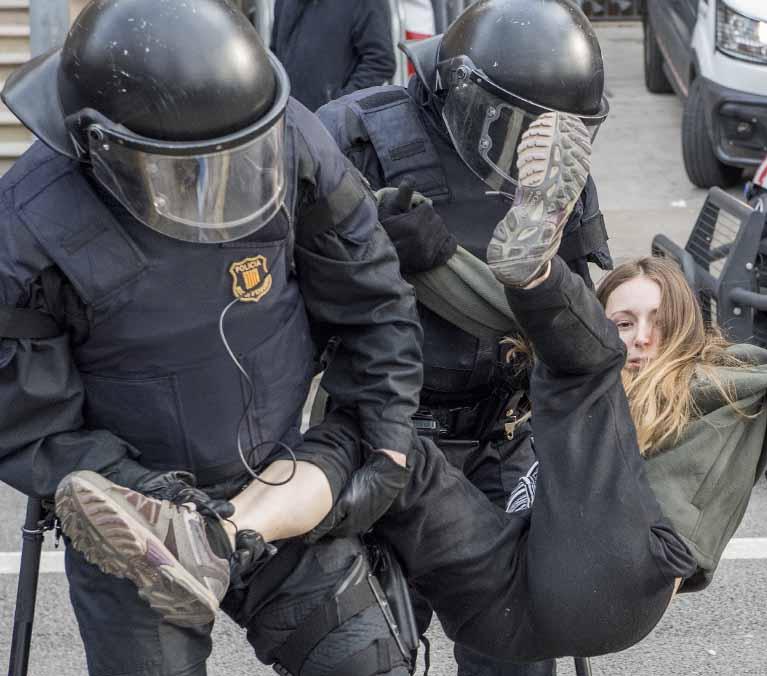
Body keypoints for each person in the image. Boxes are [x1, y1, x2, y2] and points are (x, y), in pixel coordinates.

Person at [54, 104, 767, 665]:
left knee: (569, 367)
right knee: (389, 449)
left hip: (622, 574)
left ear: (685, 330)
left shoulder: (731, 374)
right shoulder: (577, 371)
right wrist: (409, 247)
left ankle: (539, 260)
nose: (634, 337)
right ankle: (208, 539)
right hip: (518, 592)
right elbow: (497, 309)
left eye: (648, 323)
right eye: (618, 316)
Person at [0, 1, 422, 674]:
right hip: (134, 518)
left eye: (229, 163)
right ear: (97, 144)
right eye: (182, 172)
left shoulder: (290, 142)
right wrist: (166, 510)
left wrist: (386, 439)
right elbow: (33, 425)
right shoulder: (27, 233)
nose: (211, 197)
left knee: (366, 662)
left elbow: (374, 304)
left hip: (280, 474)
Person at [315, 1, 613, 672]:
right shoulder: (356, 136)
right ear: (461, 89)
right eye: (511, 126)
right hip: (387, 434)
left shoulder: (559, 168)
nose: (525, 148)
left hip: (506, 434)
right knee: (368, 651)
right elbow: (281, 297)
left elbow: (584, 320)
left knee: (517, 649)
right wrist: (365, 259)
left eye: (547, 132)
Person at [271, 0, 397, 111]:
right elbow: (276, 53)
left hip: (331, 128)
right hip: (290, 118)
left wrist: (341, 105)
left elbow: (381, 61)